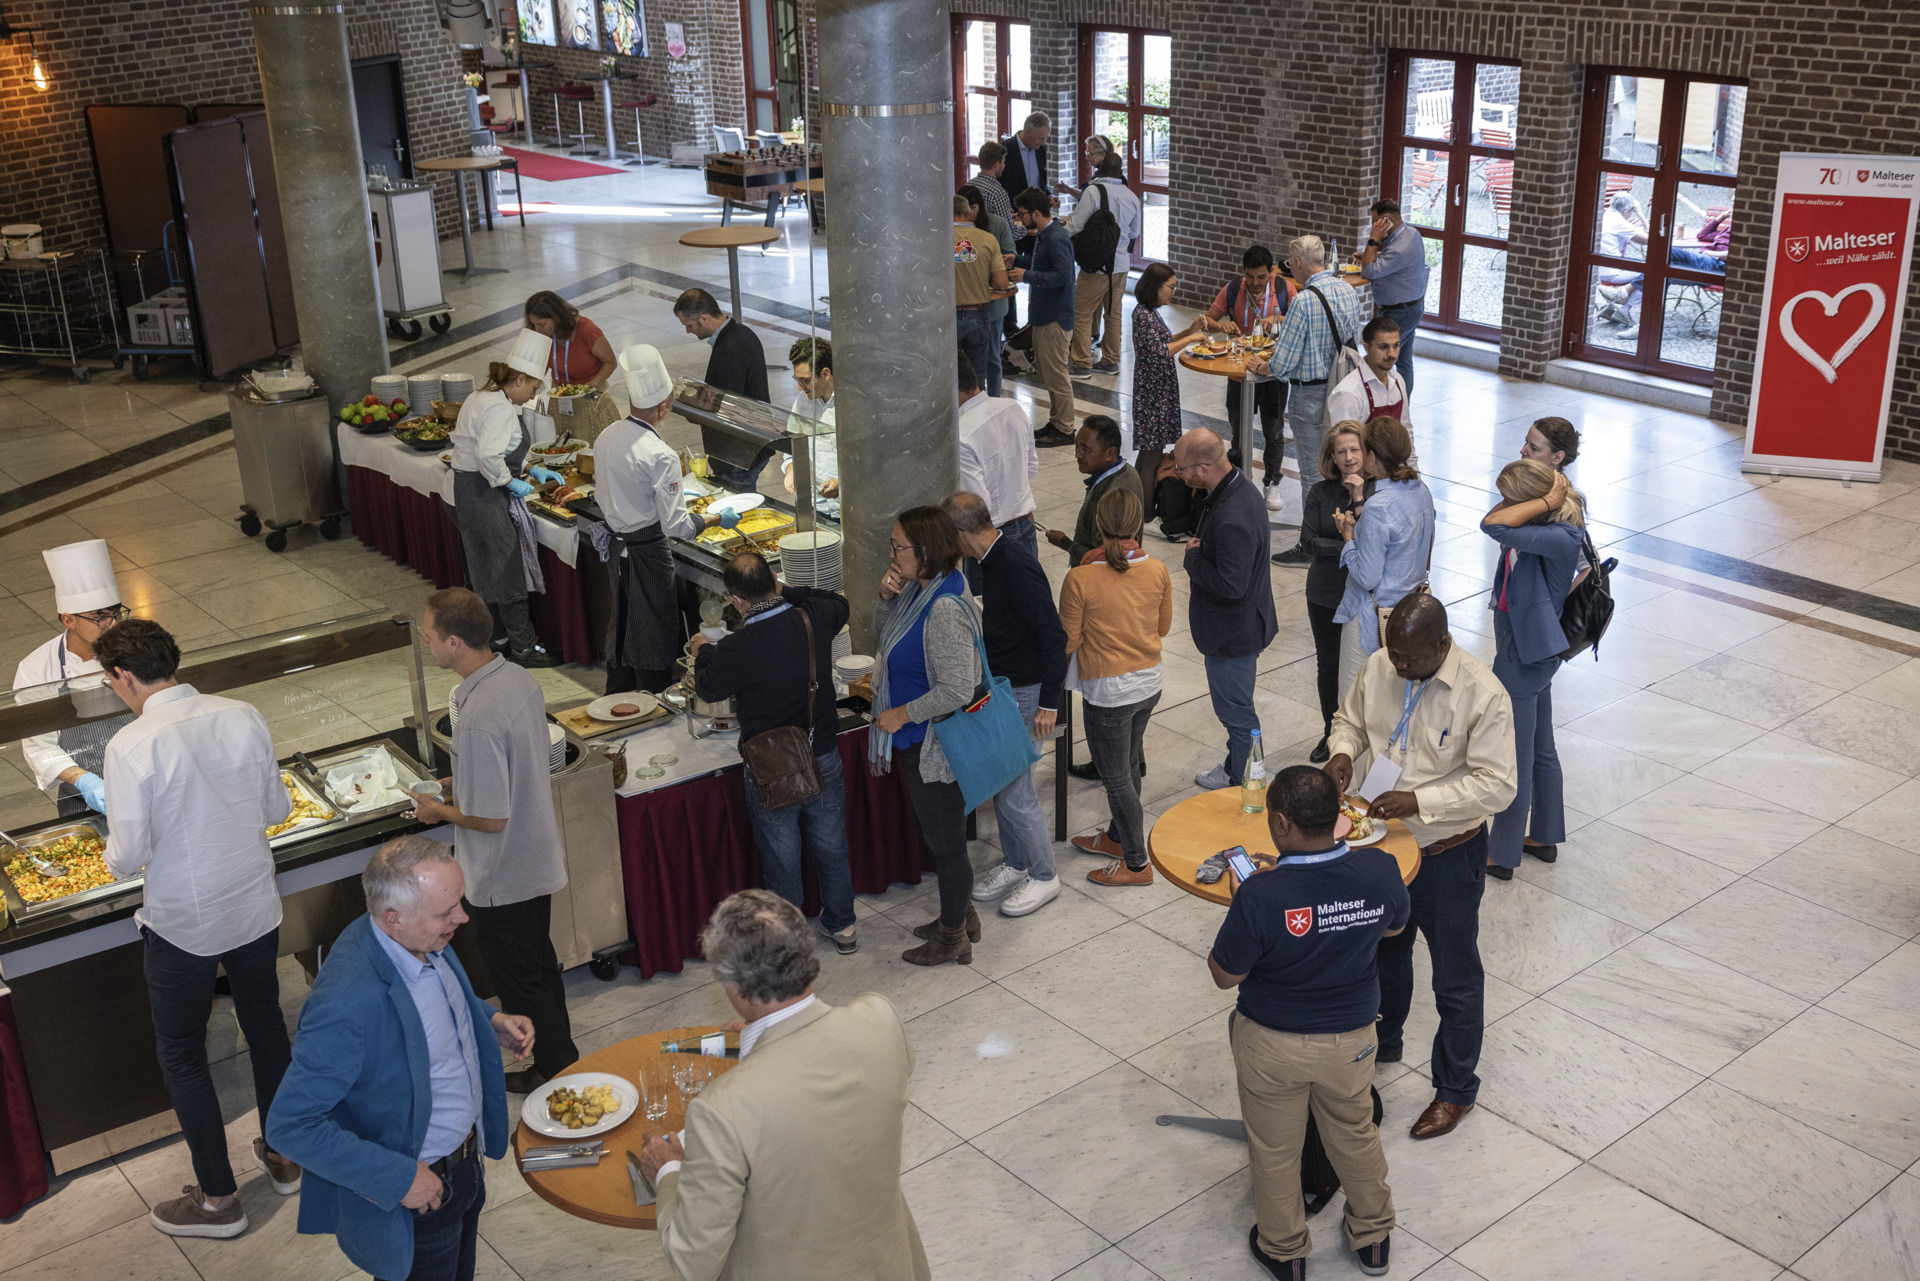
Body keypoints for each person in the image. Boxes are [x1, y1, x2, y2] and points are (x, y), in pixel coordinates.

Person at [95, 618, 302, 1239]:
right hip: (252, 905)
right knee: (266, 1026)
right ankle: (287, 1156)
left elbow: (127, 857)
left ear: (124, 676)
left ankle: (217, 1199)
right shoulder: (241, 713)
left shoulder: (130, 746)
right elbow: (276, 810)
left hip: (183, 922)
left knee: (182, 1054)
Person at [267, 837, 533, 1281]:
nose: (462, 917)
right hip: (419, 1196)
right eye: (447, 911)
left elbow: (429, 1009)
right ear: (394, 919)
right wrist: (399, 1178)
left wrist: (487, 1019)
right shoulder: (345, 1004)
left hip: (466, 1165)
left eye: (459, 902)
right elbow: (290, 1125)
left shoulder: (414, 935)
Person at [640, 891, 929, 1281]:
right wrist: (760, 1039)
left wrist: (669, 1171)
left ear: (733, 986)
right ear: (807, 956)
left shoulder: (721, 1108)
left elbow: (694, 1262)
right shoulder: (881, 1019)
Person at [1324, 594, 1517, 1140]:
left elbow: (1498, 785)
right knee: (1384, 952)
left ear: (1442, 644)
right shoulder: (1383, 664)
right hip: (1381, 848)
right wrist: (1343, 749)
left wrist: (1420, 803)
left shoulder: (1483, 694)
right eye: (1393, 655)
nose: (1398, 667)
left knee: (1456, 977)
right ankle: (1384, 1046)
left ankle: (1455, 1090)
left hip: (1446, 854)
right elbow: (1351, 720)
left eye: (1409, 659)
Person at [1210, 765, 1406, 1279]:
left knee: (1275, 1149)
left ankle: (1286, 1251)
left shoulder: (1260, 895)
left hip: (1273, 1044)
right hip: (1353, 1041)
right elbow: (1396, 926)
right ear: (1339, 819)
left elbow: (1225, 976)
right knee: (1355, 1132)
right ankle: (1374, 1238)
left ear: (1279, 823)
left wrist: (1244, 903)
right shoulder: (1380, 871)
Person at [410, 587, 579, 1094]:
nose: (425, 641)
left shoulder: (480, 715)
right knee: (540, 967)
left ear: (455, 642)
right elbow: (509, 772)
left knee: (521, 979)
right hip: (535, 856)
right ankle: (559, 1057)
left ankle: (554, 1074)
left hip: (503, 872)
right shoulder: (517, 679)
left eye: (429, 635)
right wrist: (456, 782)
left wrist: (437, 810)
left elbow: (490, 818)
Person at [693, 552, 859, 952]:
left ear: (735, 601)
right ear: (774, 580)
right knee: (832, 844)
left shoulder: (738, 647)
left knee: (782, 858)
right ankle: (843, 926)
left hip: (771, 764)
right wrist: (786, 589)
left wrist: (702, 650)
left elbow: (708, 689)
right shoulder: (813, 618)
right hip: (820, 750)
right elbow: (839, 602)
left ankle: (790, 941)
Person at [944, 491, 1068, 918]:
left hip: (1027, 689)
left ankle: (1045, 874)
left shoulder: (1014, 566)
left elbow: (1053, 636)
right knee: (1003, 784)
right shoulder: (991, 562)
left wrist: (1049, 703)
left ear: (962, 533)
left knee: (1015, 792)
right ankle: (1017, 864)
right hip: (1006, 685)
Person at [869, 506, 983, 966]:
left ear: (926, 550)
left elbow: (957, 687)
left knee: (946, 843)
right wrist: (885, 597)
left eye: (899, 547)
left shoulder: (942, 608)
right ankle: (961, 913)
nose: (893, 554)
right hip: (915, 737)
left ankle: (952, 935)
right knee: (933, 834)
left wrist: (902, 713)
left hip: (934, 742)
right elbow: (889, 640)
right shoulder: (923, 589)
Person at [596, 344, 730, 694]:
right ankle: (654, 701)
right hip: (649, 553)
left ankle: (618, 698)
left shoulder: (607, 436)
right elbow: (677, 526)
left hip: (617, 546)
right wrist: (713, 518)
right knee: (653, 632)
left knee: (623, 625)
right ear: (663, 407)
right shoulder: (661, 454)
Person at [1059, 486, 1172, 887]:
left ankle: (1137, 864)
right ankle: (1116, 838)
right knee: (1129, 762)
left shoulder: (1080, 579)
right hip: (1149, 684)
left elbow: (1067, 642)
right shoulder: (1157, 569)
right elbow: (1163, 628)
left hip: (1108, 693)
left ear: (1097, 524)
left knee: (1117, 778)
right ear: (1138, 525)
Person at [1480, 461, 1586, 881]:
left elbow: (1493, 525)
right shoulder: (1547, 526)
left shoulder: (1557, 535)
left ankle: (1502, 854)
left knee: (1515, 757)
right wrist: (1538, 502)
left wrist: (1543, 500)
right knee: (1541, 745)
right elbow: (1500, 520)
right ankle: (1544, 836)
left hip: (1524, 654)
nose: (1503, 504)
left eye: (1510, 497)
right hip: (1532, 646)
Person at [448, 333, 561, 668]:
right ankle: (524, 647)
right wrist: (511, 482)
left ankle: (495, 639)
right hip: (482, 494)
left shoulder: (485, 396)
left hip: (468, 490)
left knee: (486, 569)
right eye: (533, 388)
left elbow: (499, 450)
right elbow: (487, 455)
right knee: (505, 566)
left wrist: (529, 468)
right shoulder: (499, 408)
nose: (532, 396)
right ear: (519, 378)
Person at [1174, 428, 1278, 791]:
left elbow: (1231, 586)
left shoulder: (1232, 516)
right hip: (1243, 624)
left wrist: (1192, 559)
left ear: (1203, 469)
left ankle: (1244, 779)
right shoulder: (1236, 485)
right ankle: (1240, 766)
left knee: (1236, 712)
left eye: (1182, 468)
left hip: (1233, 634)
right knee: (1237, 708)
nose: (1178, 473)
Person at [13, 540, 128, 817]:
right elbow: (40, 748)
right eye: (99, 617)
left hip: (148, 776)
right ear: (69, 620)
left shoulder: (134, 648)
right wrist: (86, 781)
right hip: (84, 792)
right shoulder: (36, 669)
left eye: (115, 612)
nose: (111, 623)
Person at [1333, 416, 1435, 699]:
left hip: (1373, 617)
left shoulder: (1379, 505)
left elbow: (1367, 576)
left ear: (1372, 457)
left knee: (1356, 701)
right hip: (1410, 611)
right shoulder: (1421, 490)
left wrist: (1349, 539)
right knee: (1394, 699)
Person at [1253, 236, 1364, 499]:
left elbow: (1283, 365)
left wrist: (1261, 366)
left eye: (1291, 263)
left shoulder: (1303, 301)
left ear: (1299, 262)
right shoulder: (1348, 290)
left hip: (1311, 397)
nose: (1290, 268)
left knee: (1314, 473)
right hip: (1345, 388)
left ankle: (1312, 536)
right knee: (1343, 464)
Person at [1199, 245, 1293, 509]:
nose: (1254, 283)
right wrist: (1221, 325)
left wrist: (1278, 319)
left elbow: (1299, 319)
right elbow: (1206, 320)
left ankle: (1272, 484)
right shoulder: (1232, 290)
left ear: (1271, 273)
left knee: (1274, 431)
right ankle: (1239, 483)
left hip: (1272, 373)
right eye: (1249, 276)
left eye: (1261, 277)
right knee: (1239, 431)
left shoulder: (1285, 290)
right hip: (1238, 373)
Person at [1298, 422, 1368, 763]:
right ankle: (1331, 733)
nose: (1349, 457)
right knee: (1328, 666)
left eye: (1354, 449)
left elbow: (1374, 547)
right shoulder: (1320, 492)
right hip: (1324, 592)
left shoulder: (1375, 493)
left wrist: (1357, 503)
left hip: (1362, 594)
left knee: (1360, 668)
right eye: (1341, 451)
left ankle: (1362, 734)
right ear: (1332, 457)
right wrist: (1346, 542)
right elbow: (1308, 541)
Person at [673, 287, 772, 488]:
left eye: (689, 325)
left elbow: (725, 408)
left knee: (740, 512)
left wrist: (688, 405)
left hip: (737, 456)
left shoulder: (730, 350)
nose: (688, 331)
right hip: (751, 448)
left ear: (704, 318)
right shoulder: (741, 333)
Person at [1129, 262, 1206, 519]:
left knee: (1148, 453)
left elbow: (1166, 340)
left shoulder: (1151, 312)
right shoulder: (1142, 314)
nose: (1173, 292)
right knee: (1150, 457)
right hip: (1152, 396)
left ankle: (1140, 506)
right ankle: (1145, 513)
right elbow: (1160, 351)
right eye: (1170, 287)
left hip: (1158, 391)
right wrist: (1191, 339)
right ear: (1156, 286)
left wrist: (1190, 331)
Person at [956, 339, 1040, 573]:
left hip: (991, 540)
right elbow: (1031, 467)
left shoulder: (961, 433)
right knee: (1026, 602)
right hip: (1026, 525)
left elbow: (976, 505)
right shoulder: (1012, 406)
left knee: (989, 607)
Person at [1009, 185, 1077, 447]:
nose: (1020, 219)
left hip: (1054, 319)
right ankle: (1056, 420)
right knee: (1048, 374)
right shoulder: (1045, 236)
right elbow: (1042, 263)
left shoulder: (1057, 238)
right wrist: (1016, 260)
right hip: (1044, 316)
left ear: (1036, 213)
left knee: (1057, 376)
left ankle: (1065, 428)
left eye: (1023, 214)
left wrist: (1026, 276)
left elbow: (1063, 276)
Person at [1067, 154, 1142, 377]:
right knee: (1113, 313)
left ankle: (1080, 364)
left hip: (1096, 265)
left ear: (1100, 169)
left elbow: (1075, 226)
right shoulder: (1132, 196)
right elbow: (1134, 233)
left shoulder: (1093, 192)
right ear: (1120, 172)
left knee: (1082, 312)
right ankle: (1110, 361)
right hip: (1120, 265)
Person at [1353, 199, 1430, 395]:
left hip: (1400, 312)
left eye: (1375, 222)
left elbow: (1369, 272)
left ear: (1386, 221)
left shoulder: (1398, 248)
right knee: (1404, 362)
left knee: (1380, 359)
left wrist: (1372, 240)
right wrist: (1372, 257)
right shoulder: (1411, 233)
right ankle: (1402, 406)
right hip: (1410, 306)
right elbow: (1391, 266)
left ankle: (1384, 404)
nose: (1373, 226)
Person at [523, 289, 621, 440]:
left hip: (591, 399)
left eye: (542, 324)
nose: (537, 329)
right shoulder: (543, 335)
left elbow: (610, 362)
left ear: (556, 317)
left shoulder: (587, 330)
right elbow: (539, 368)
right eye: (534, 324)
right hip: (560, 401)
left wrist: (591, 384)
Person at [1046, 415, 1142, 567]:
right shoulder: (1129, 471)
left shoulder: (1109, 496)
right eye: (1076, 446)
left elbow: (1103, 558)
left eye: (1085, 449)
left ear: (1110, 453)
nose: (1077, 454)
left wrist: (1064, 542)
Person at [959, 184, 1017, 395]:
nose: (969, 213)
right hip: (966, 302)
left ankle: (993, 400)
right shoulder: (954, 231)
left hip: (992, 306)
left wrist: (996, 262)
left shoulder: (997, 225)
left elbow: (1010, 255)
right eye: (966, 208)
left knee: (992, 358)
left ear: (980, 207)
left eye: (973, 207)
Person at [1325, 317, 1411, 438]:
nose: (1391, 354)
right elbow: (1345, 447)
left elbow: (1406, 431)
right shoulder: (1348, 393)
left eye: (1396, 346)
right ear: (1367, 347)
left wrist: (1410, 457)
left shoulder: (1397, 380)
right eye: (1383, 347)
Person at [782, 337, 839, 518]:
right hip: (817, 507)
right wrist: (792, 468)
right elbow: (792, 445)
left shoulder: (851, 406)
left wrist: (841, 483)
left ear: (825, 373)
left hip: (849, 509)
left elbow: (870, 461)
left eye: (805, 380)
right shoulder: (802, 403)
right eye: (797, 379)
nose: (800, 387)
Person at [1595, 193, 1649, 335]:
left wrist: (1629, 224)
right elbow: (1649, 239)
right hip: (1613, 273)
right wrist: (1641, 216)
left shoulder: (1608, 214)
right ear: (1626, 211)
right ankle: (1624, 310)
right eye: (1631, 212)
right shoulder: (1620, 223)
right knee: (1651, 273)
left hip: (1600, 270)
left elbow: (1622, 227)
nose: (1632, 214)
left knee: (1642, 275)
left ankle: (1622, 309)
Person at [1052, 133, 1122, 198]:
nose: (1086, 157)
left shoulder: (1108, 179)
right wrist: (1069, 190)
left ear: (1103, 155)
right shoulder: (1099, 174)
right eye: (1086, 153)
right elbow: (1087, 197)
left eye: (1090, 154)